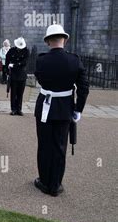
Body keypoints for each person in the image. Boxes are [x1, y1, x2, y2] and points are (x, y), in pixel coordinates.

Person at [33, 23, 89, 197]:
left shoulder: (41, 60)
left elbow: (40, 79)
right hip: (65, 109)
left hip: (45, 108)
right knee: (59, 146)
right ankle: (55, 185)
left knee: (44, 145)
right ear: (64, 40)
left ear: (48, 41)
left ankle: (44, 181)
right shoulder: (74, 60)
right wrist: (78, 109)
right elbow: (84, 87)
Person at [5, 37, 29, 116]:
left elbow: (24, 62)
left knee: (20, 93)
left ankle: (19, 109)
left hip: (22, 74)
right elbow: (7, 59)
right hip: (14, 75)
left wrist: (14, 65)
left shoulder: (26, 51)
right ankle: (13, 109)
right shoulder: (11, 50)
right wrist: (7, 70)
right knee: (13, 93)